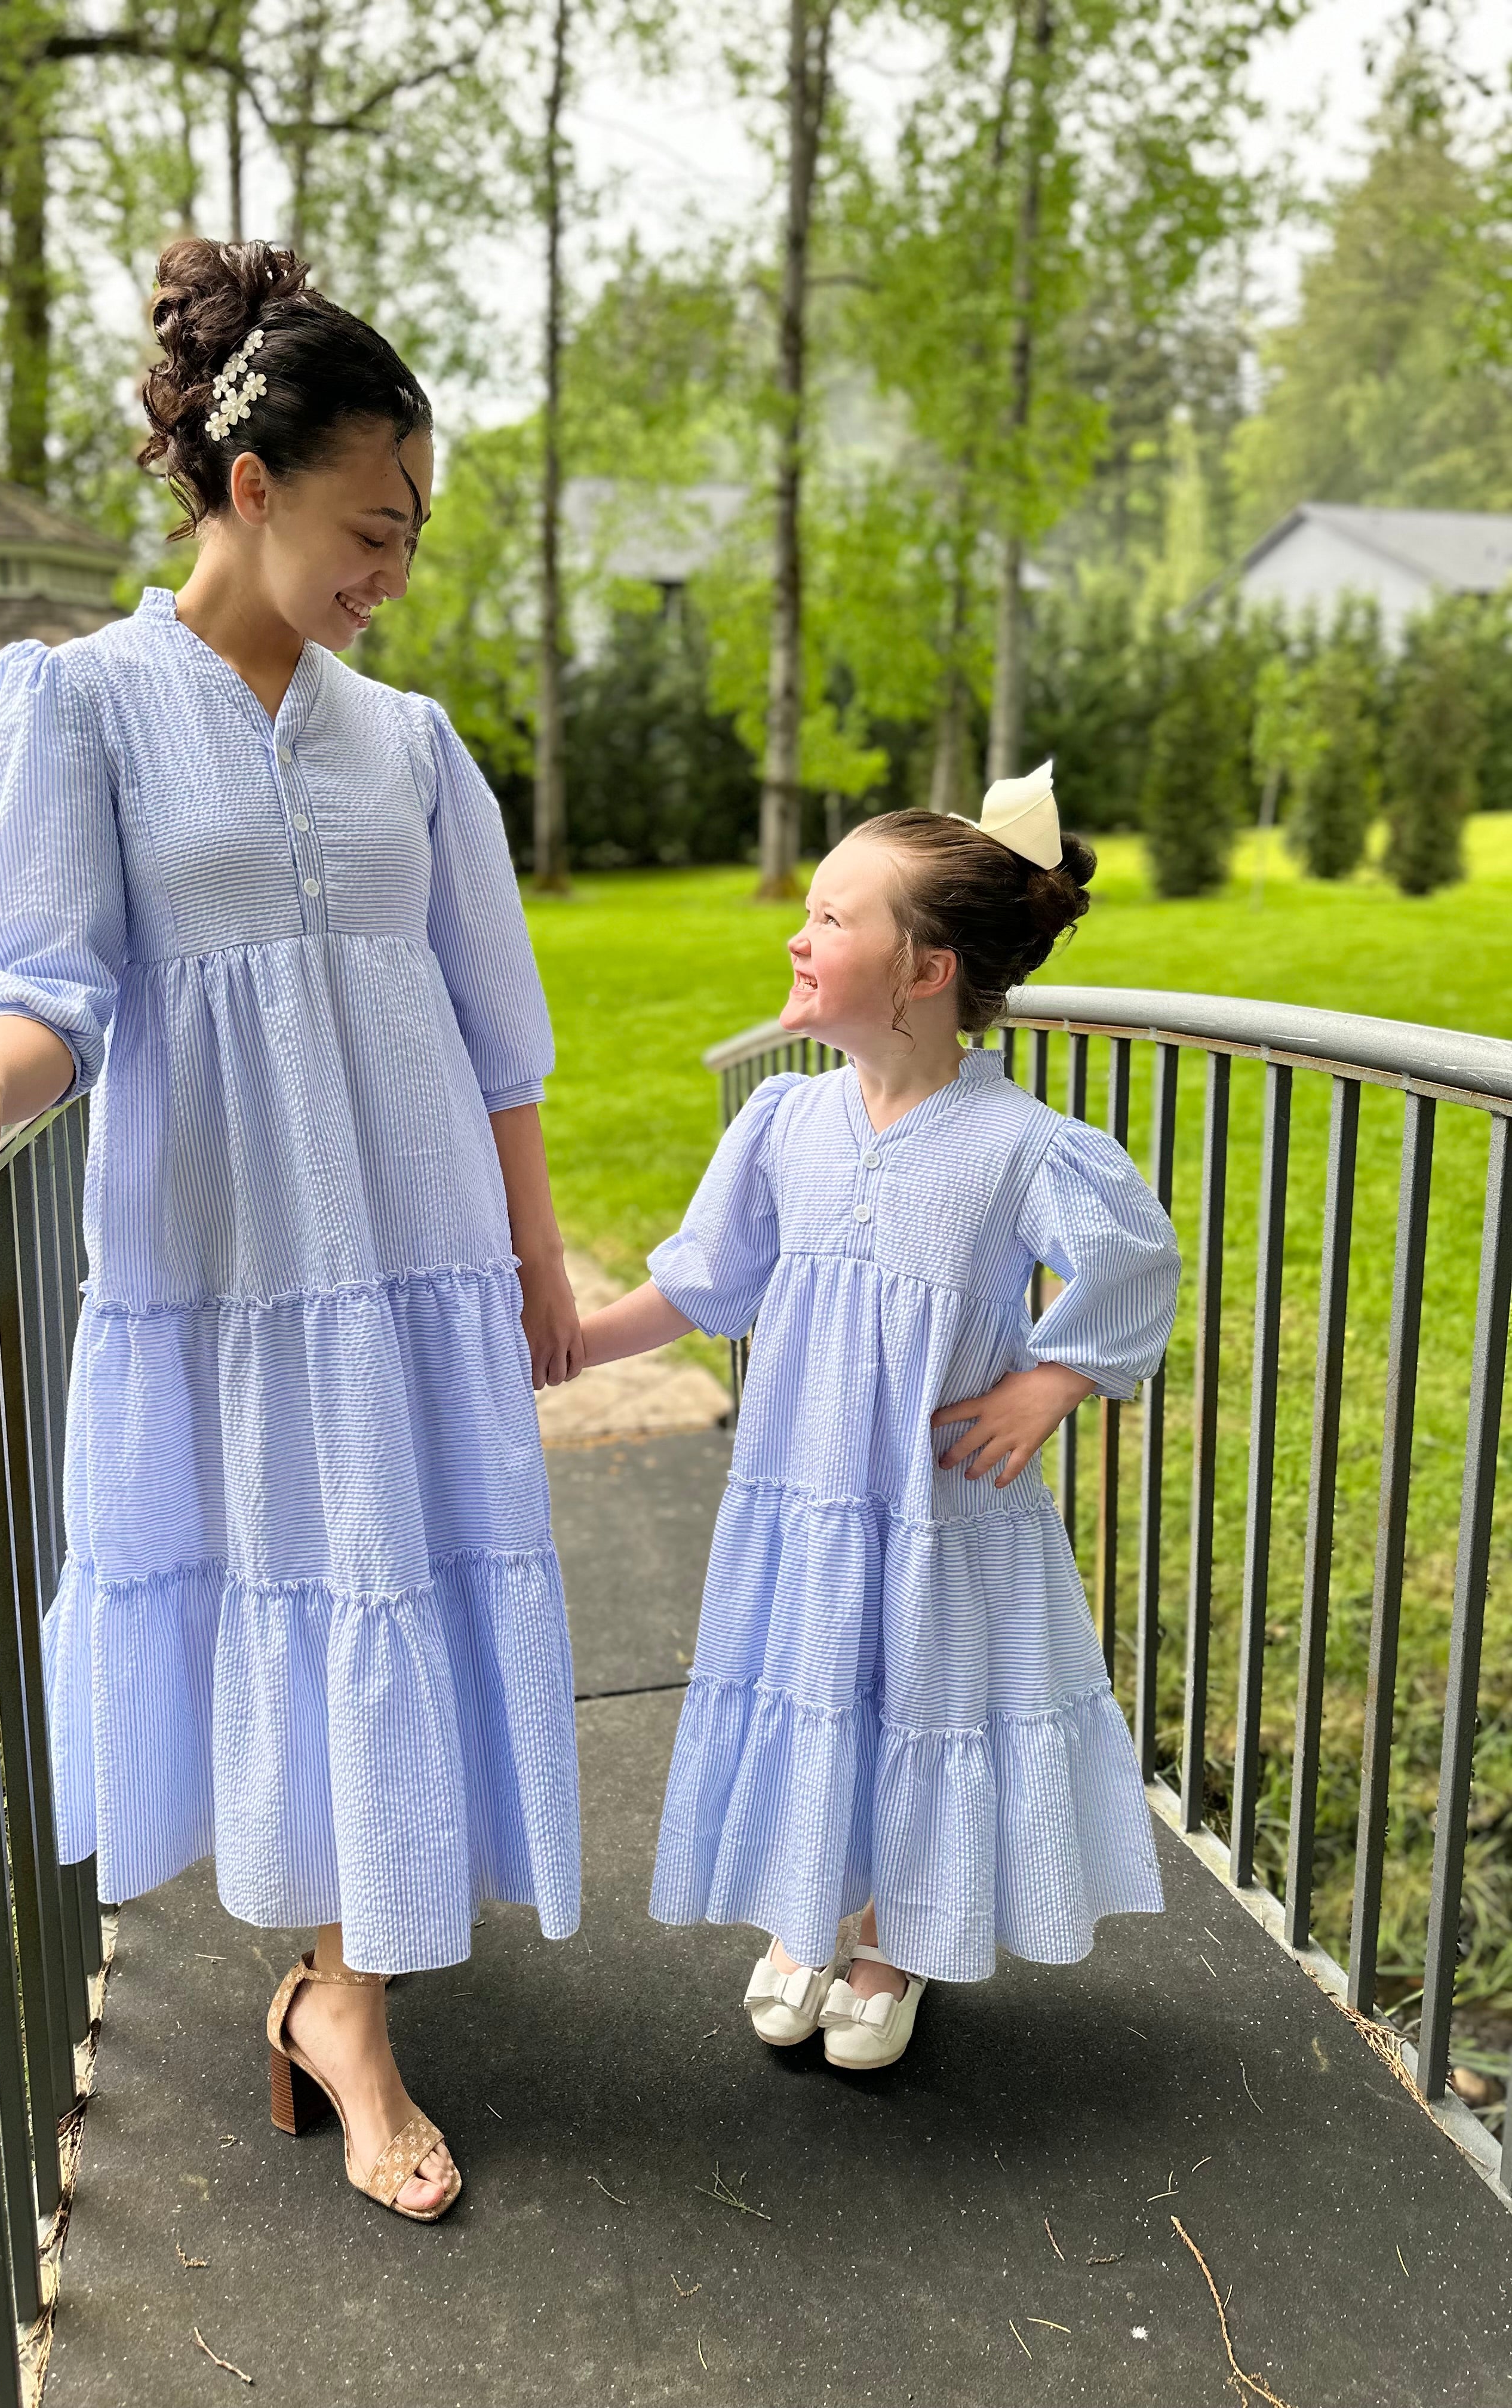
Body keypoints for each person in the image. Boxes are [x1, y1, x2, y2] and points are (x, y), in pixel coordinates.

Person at [0, 239, 586, 2220]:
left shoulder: (407, 741)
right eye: (370, 527)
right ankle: (339, 1999)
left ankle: (349, 1992)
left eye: (411, 536)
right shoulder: (75, 705)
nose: (390, 572)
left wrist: (530, 1262)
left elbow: (495, 1034)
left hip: (413, 1249)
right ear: (248, 486)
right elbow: (41, 988)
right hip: (238, 1264)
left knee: (397, 1575)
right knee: (305, 1586)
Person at [577, 767, 1179, 2071]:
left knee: (917, 1700)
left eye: (832, 918)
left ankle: (893, 1940)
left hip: (934, 1509)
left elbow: (1134, 1256)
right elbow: (705, 1278)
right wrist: (575, 1343)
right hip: (803, 1496)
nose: (798, 938)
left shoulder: (1017, 1146)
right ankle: (809, 1913)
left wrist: (1053, 1378)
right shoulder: (787, 1120)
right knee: (816, 1690)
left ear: (925, 972)